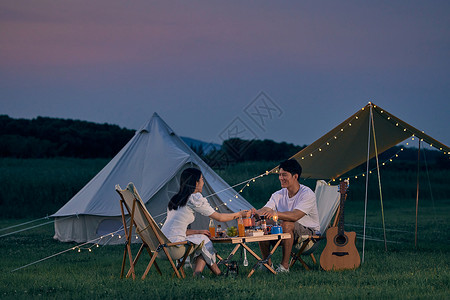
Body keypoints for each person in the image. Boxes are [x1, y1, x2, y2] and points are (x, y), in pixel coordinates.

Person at [161, 167, 250, 277]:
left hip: (161, 245)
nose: (203, 182)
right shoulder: (194, 198)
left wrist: (199, 231)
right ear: (196, 182)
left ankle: (201, 273)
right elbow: (219, 217)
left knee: (202, 240)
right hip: (174, 248)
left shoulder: (176, 199)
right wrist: (239, 214)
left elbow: (177, 230)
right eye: (202, 179)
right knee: (205, 242)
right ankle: (214, 273)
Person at [254, 159, 319, 273]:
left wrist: (275, 214)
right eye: (279, 175)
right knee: (262, 223)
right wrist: (256, 212)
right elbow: (266, 209)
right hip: (286, 231)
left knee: (287, 224)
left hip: (309, 233)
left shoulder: (307, 194)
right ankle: (267, 264)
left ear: (295, 176)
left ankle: (284, 267)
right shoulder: (278, 194)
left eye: (284, 175)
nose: (281, 178)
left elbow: (295, 216)